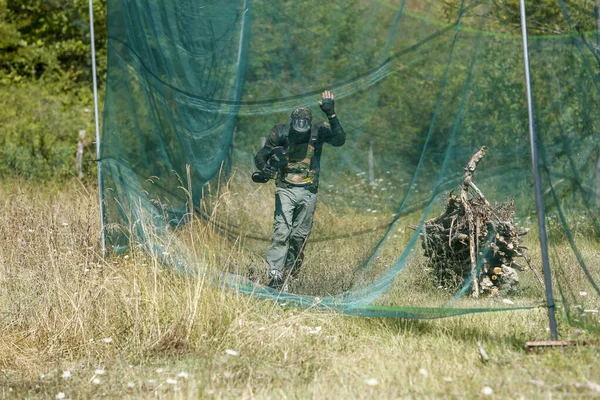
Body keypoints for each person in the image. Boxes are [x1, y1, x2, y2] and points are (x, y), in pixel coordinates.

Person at [254, 90, 346, 290]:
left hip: (309, 191)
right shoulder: (280, 132)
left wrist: (331, 114)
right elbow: (261, 155)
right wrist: (265, 168)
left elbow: (339, 140)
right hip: (285, 188)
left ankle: (290, 274)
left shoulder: (318, 131)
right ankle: (275, 274)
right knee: (282, 231)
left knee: (298, 237)